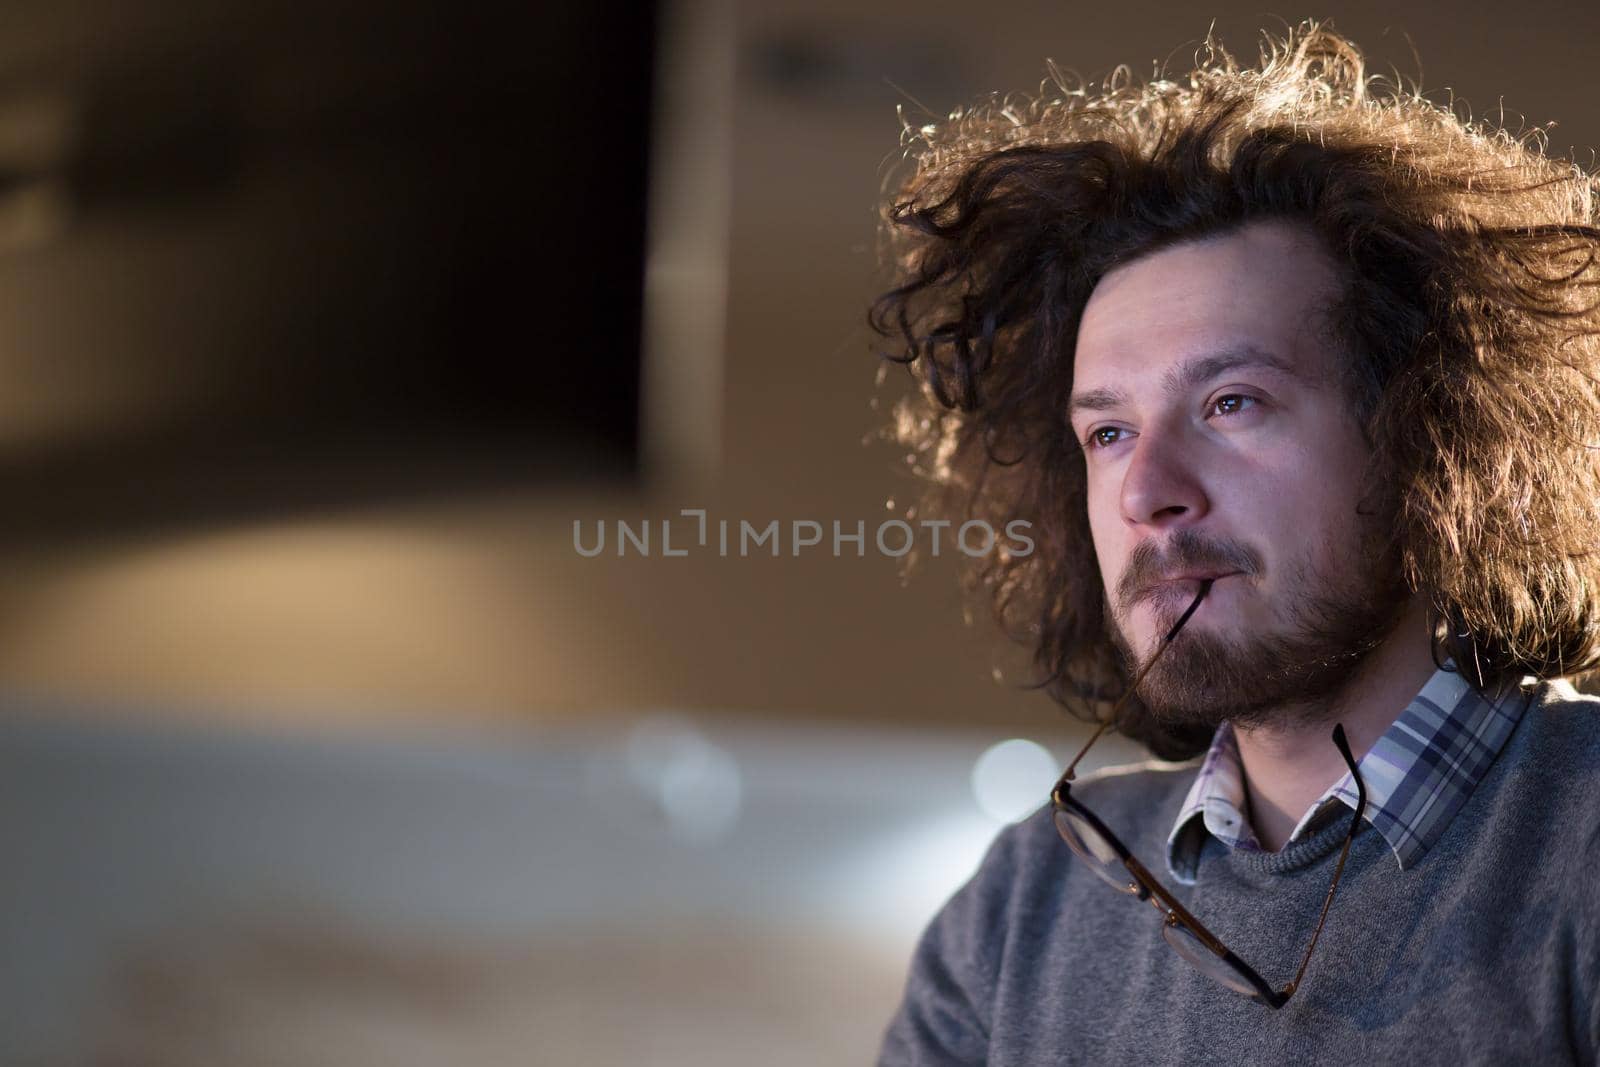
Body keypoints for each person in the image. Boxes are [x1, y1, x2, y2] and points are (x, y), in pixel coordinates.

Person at [868, 21, 1600, 1064]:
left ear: (1429, 436)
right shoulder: (1021, 911)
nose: (1146, 493)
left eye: (1230, 402)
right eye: (1108, 432)